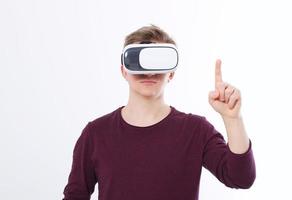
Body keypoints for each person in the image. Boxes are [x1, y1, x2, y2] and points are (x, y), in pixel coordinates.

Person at [62, 24, 256, 200]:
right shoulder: (96, 134)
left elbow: (241, 178)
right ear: (123, 71)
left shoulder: (196, 130)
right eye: (138, 61)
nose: (149, 72)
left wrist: (233, 119)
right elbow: (75, 196)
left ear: (171, 72)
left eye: (158, 62)